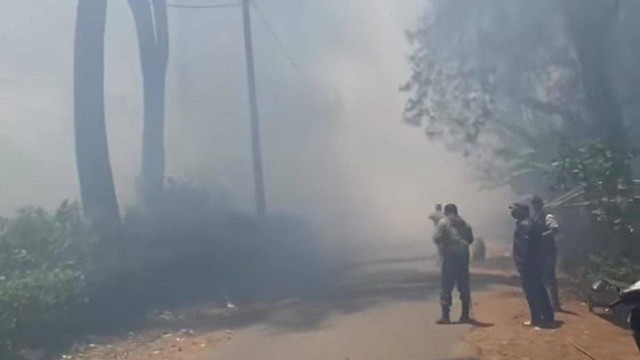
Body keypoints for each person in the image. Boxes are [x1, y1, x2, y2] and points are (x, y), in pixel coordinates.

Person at [510, 201, 555, 327]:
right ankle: (547, 316)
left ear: (523, 211)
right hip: (535, 263)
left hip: (528, 264)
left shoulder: (526, 225)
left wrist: (522, 265)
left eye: (515, 209)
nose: (512, 212)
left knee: (532, 292)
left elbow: (525, 248)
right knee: (539, 289)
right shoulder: (529, 223)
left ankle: (537, 318)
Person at [433, 203, 474, 324]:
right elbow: (470, 239)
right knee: (464, 285)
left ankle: (445, 316)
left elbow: (436, 238)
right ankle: (465, 315)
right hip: (463, 257)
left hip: (450, 257)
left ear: (446, 212)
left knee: (446, 286)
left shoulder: (443, 223)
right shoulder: (465, 223)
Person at [530, 196, 561, 311]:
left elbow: (555, 229)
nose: (535, 207)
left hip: (548, 251)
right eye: (533, 205)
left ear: (541, 205)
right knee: (540, 278)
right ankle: (546, 303)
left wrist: (541, 237)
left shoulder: (547, 216)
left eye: (537, 204)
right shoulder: (534, 217)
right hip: (539, 252)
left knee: (550, 278)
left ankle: (555, 304)